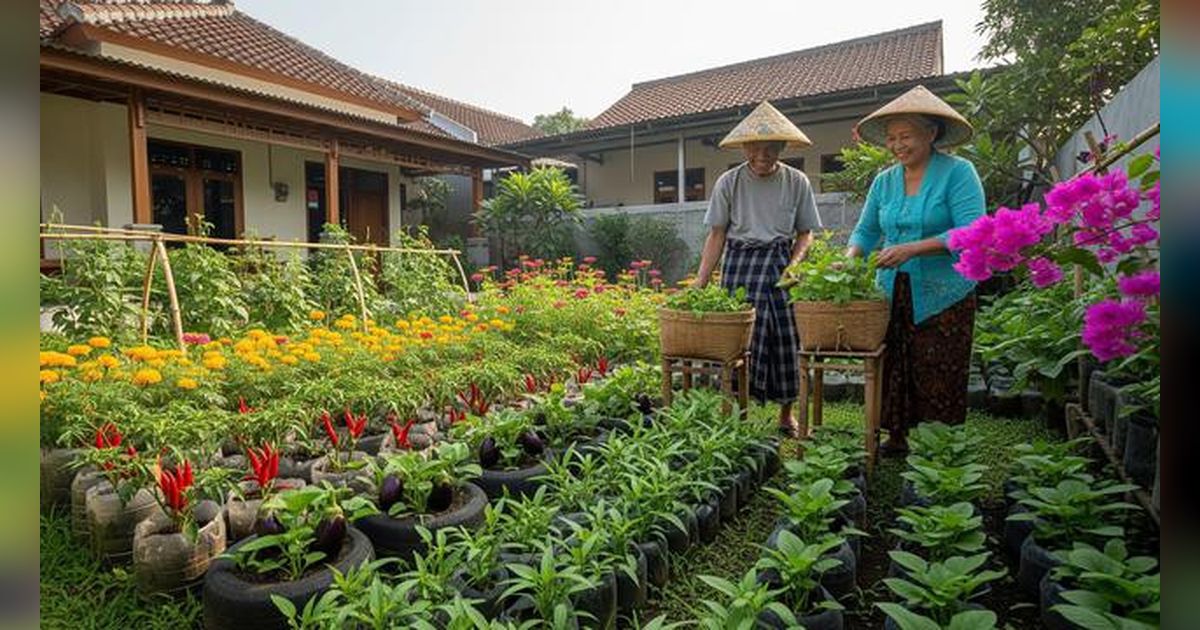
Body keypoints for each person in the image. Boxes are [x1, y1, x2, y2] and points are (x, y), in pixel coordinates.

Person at [844, 85, 986, 454]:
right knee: (894, 364)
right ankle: (897, 437)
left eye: (905, 135)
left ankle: (940, 447)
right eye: (891, 138)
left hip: (945, 292)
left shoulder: (958, 172)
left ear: (931, 133)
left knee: (939, 368)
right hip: (891, 290)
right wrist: (848, 260)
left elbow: (972, 230)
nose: (897, 145)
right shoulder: (884, 181)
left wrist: (913, 249)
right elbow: (866, 230)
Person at [693, 101, 822, 437]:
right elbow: (717, 233)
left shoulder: (797, 181)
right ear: (744, 146)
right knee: (738, 341)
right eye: (755, 148)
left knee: (785, 337)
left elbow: (805, 232)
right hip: (739, 265)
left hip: (780, 263)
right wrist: (701, 282)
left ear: (782, 146)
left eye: (771, 148)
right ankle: (739, 413)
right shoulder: (728, 182)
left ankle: (785, 415)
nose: (763, 155)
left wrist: (794, 266)